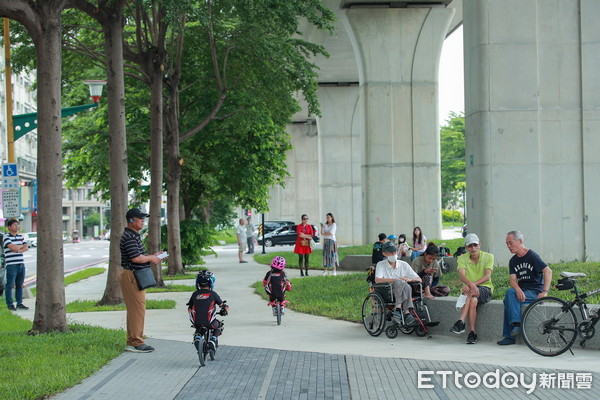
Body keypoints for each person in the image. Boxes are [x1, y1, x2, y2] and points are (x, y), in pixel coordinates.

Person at [497, 231, 552, 346]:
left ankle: (511, 333)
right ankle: (516, 325)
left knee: (508, 300)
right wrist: (518, 289)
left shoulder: (532, 256)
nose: (508, 246)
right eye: (507, 244)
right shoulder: (513, 261)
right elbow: (512, 280)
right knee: (509, 295)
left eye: (511, 243)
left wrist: (545, 292)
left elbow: (548, 271)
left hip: (534, 292)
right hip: (522, 292)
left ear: (520, 241)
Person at [120, 208, 163, 353]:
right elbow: (136, 258)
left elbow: (139, 256)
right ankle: (136, 342)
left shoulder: (134, 235)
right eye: (140, 219)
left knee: (135, 310)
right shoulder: (129, 236)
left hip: (134, 275)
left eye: (144, 219)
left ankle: (132, 340)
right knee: (137, 310)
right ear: (131, 220)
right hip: (132, 276)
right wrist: (151, 257)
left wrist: (153, 256)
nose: (143, 221)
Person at [450, 233, 494, 344]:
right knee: (473, 301)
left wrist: (471, 285)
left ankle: (461, 321)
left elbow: (487, 276)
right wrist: (471, 285)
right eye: (470, 246)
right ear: (466, 247)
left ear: (479, 244)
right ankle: (472, 333)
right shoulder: (462, 258)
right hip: (471, 291)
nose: (473, 248)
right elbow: (462, 275)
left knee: (470, 293)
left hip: (485, 288)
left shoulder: (489, 257)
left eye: (475, 245)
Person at [375, 241, 421, 327]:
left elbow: (419, 279)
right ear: (384, 254)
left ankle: (400, 310)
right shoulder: (380, 265)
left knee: (406, 285)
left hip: (403, 290)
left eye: (395, 251)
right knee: (400, 282)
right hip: (387, 291)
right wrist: (396, 280)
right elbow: (378, 280)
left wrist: (409, 279)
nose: (394, 253)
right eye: (391, 252)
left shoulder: (404, 265)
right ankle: (404, 311)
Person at [187, 270, 228, 350]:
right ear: (211, 283)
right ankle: (213, 340)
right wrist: (225, 309)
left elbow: (189, 308)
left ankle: (198, 338)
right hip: (210, 322)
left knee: (199, 330)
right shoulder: (213, 294)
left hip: (197, 322)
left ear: (198, 284)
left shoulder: (195, 294)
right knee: (219, 325)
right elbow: (222, 305)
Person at [3, 219, 29, 311]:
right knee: (9, 285)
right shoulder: (6, 237)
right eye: (14, 225)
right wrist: (19, 248)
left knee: (19, 285)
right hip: (11, 265)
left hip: (21, 264)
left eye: (17, 225)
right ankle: (10, 304)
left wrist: (17, 249)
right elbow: (12, 247)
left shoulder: (20, 236)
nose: (16, 227)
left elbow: (26, 247)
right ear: (9, 227)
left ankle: (19, 303)